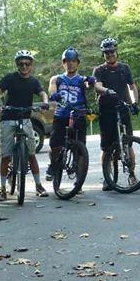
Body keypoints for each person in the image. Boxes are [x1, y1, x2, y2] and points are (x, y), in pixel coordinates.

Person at [0, 50, 49, 201]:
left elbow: (42, 93)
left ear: (31, 65)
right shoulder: (10, 78)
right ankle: (3, 189)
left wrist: (45, 102)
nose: (24, 66)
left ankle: (38, 185)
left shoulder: (33, 81)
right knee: (5, 155)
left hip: (25, 119)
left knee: (31, 154)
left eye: (27, 63)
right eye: (21, 63)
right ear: (17, 65)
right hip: (8, 119)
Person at [93, 38, 140, 191]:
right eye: (106, 52)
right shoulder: (99, 70)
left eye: (112, 51)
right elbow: (97, 85)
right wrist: (106, 90)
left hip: (123, 107)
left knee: (128, 143)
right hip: (106, 109)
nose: (109, 54)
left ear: (116, 51)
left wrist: (134, 103)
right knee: (106, 147)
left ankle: (132, 174)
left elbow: (132, 86)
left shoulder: (124, 68)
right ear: (103, 54)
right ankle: (108, 177)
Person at [45, 47, 95, 183]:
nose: (70, 63)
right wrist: (54, 94)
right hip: (61, 115)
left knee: (79, 150)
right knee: (55, 145)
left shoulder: (81, 79)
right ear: (63, 63)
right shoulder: (57, 79)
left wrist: (91, 82)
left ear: (77, 63)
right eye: (67, 61)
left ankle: (78, 181)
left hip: (78, 116)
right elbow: (52, 89)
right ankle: (53, 165)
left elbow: (89, 85)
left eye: (73, 61)